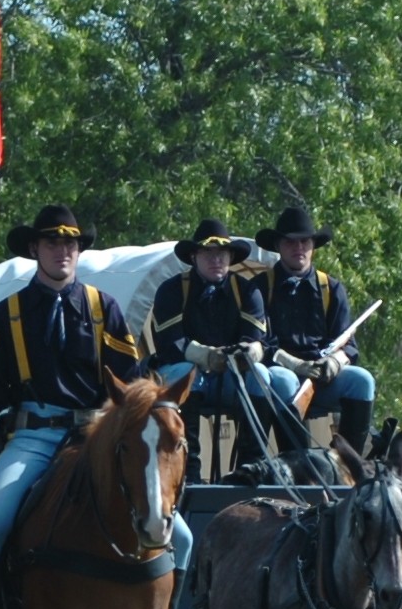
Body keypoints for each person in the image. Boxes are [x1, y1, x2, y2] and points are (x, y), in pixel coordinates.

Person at [0, 206, 197, 609]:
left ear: (78, 251)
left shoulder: (103, 306)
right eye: (51, 243)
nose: (62, 251)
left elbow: (131, 380)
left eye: (70, 244)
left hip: (97, 435)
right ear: (35, 250)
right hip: (33, 436)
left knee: (185, 536)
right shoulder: (5, 315)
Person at [146, 216, 301, 476]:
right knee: (184, 371)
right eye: (208, 252)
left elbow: (256, 338)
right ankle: (189, 467)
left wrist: (248, 351)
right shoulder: (172, 290)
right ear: (194, 256)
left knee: (262, 375)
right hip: (188, 375)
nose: (216, 259)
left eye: (222, 253)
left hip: (232, 376)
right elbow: (169, 343)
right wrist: (206, 356)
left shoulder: (247, 291)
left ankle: (250, 465)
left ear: (230, 257)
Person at [257, 204, 375, 452]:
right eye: (290, 242)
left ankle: (346, 463)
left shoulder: (331, 288)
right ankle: (299, 466)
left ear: (312, 246)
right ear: (278, 246)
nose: (298, 248)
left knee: (362, 381)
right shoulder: (258, 287)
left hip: (324, 377)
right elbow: (260, 343)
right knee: (286, 381)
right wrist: (297, 365)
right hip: (280, 373)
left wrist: (333, 363)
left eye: (304, 242)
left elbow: (349, 345)